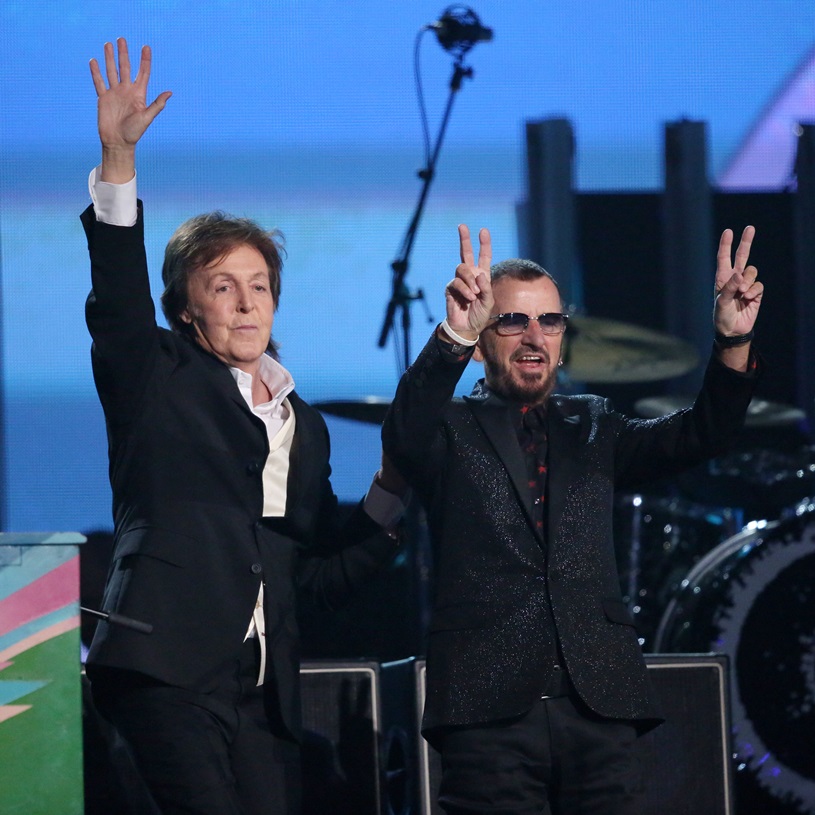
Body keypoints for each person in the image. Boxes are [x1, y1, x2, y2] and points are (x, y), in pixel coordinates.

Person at [83, 39, 403, 815]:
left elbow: (310, 564)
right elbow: (119, 296)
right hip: (164, 665)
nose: (246, 301)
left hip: (262, 690)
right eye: (222, 285)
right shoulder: (155, 375)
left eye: (259, 285)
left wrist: (388, 507)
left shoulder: (305, 423)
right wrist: (118, 160)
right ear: (187, 307)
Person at [382, 223, 763, 814]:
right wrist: (453, 331)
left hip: (600, 702)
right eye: (513, 321)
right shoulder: (448, 429)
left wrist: (732, 343)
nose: (535, 336)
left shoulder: (594, 424)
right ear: (483, 338)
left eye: (550, 321)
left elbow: (701, 434)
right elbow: (403, 436)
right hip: (488, 706)